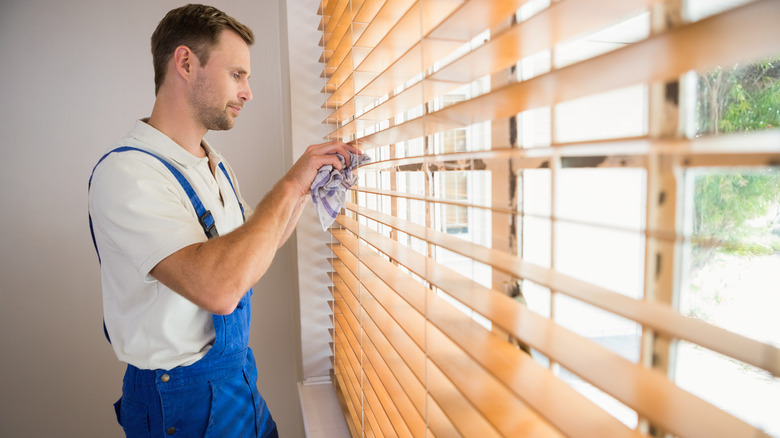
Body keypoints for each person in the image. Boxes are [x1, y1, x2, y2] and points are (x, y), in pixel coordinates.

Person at [88, 4, 358, 437]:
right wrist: (289, 186)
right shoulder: (129, 174)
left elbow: (253, 246)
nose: (248, 91)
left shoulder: (215, 164)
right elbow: (219, 288)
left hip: (237, 378)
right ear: (186, 63)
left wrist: (307, 187)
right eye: (237, 75)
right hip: (179, 401)